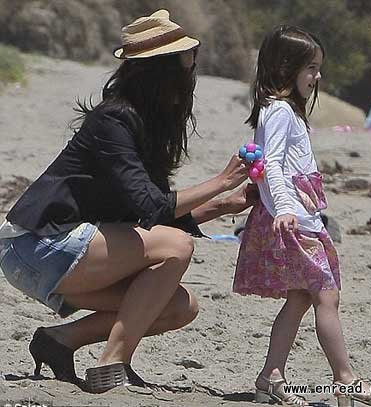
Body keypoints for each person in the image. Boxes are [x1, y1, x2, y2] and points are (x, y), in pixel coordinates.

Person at [0, 9, 257, 393]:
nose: (192, 72)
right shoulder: (113, 121)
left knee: (179, 306)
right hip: (34, 246)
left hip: (69, 252)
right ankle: (113, 363)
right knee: (177, 247)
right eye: (187, 62)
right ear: (161, 71)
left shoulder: (143, 122)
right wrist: (221, 182)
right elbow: (153, 209)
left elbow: (152, 216)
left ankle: (59, 341)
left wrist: (223, 204)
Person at [233, 25, 371, 406]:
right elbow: (271, 163)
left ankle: (270, 376)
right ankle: (346, 379)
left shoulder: (287, 111)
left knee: (300, 299)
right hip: (293, 221)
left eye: (318, 68)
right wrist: (287, 209)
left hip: (301, 217)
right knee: (327, 296)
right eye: (310, 68)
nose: (316, 76)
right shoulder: (278, 111)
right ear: (285, 67)